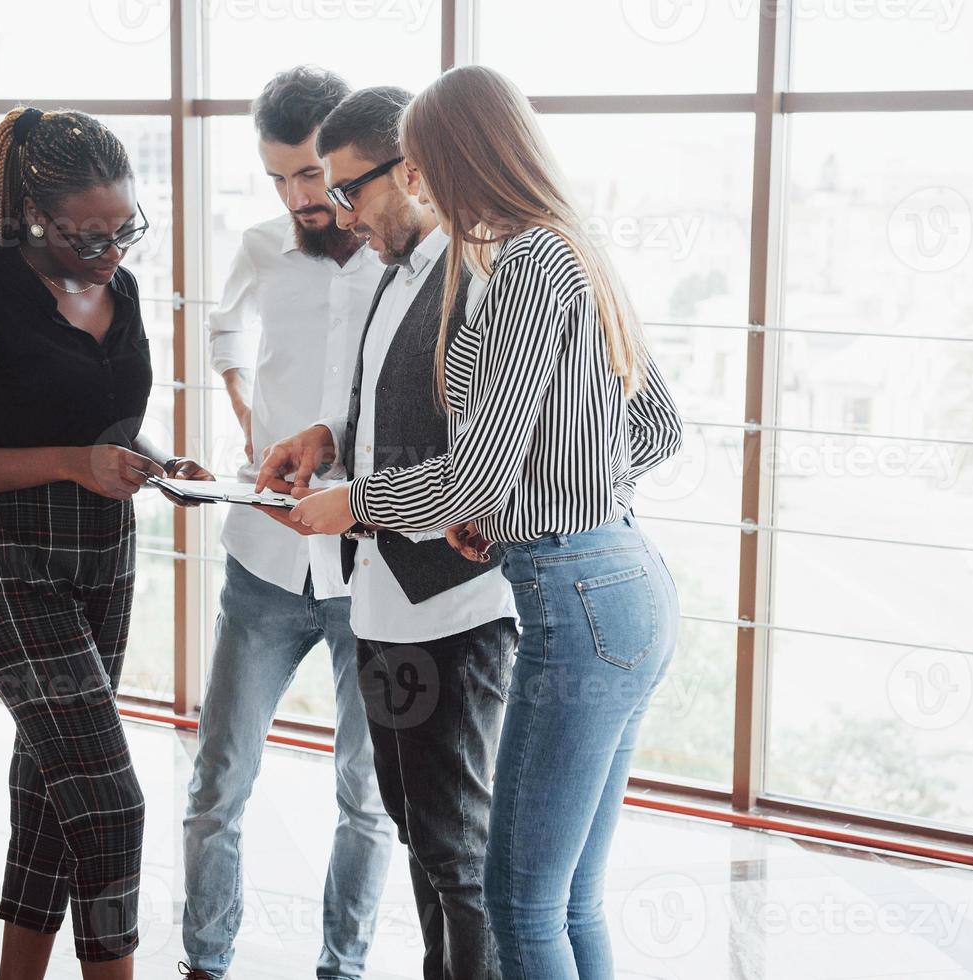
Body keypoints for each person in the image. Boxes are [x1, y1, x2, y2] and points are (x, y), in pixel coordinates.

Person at [285, 66, 685, 980]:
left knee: (518, 905)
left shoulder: (522, 265)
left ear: (457, 158)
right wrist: (521, 509)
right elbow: (654, 428)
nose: (416, 186)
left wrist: (361, 504)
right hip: (621, 579)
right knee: (566, 900)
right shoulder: (570, 247)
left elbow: (470, 475)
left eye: (419, 167)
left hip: (577, 598)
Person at [0, 105, 213, 979]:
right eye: (89, 235)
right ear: (36, 218)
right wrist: (72, 463)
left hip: (104, 558)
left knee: (51, 790)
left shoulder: (126, 289)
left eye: (125, 229)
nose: (111, 250)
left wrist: (157, 458)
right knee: (110, 803)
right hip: (7, 559)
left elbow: (108, 423)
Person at [256, 85, 519, 980]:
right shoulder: (394, 272)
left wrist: (357, 502)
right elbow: (394, 411)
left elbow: (487, 465)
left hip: (457, 610)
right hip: (385, 608)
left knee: (459, 847)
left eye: (348, 190)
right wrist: (327, 438)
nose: (336, 212)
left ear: (408, 172)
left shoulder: (488, 279)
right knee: (415, 827)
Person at [179, 67, 394, 980]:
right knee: (217, 786)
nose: (296, 197)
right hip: (263, 560)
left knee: (366, 798)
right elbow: (223, 330)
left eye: (309, 175)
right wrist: (244, 419)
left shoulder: (405, 256)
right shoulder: (264, 245)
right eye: (276, 178)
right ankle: (203, 963)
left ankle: (340, 969)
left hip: (377, 573)